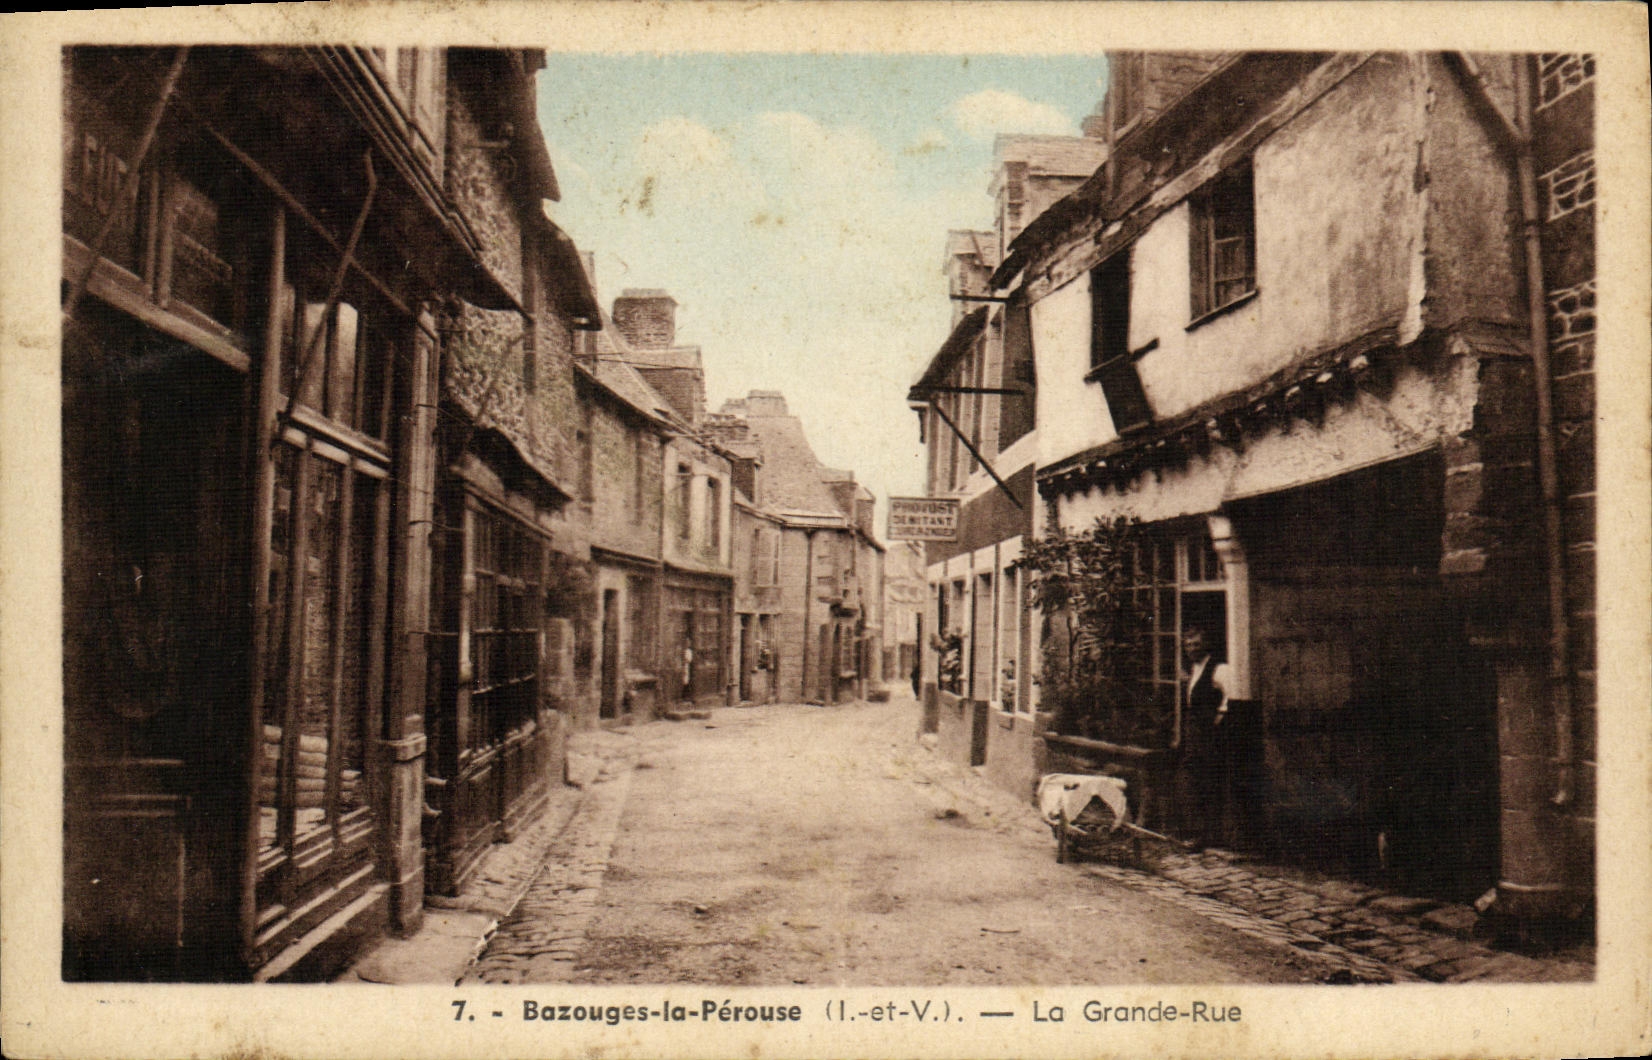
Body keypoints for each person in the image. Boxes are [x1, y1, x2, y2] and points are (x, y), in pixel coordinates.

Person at [1178, 624, 1229, 849]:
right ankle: (1198, 832)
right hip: (1193, 731)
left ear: (1206, 645)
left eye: (1196, 644)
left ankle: (1209, 835)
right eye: (1188, 645)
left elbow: (1229, 695)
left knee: (1209, 781)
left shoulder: (1219, 668)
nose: (1191, 649)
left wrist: (1219, 717)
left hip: (1209, 734)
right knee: (1194, 780)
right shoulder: (1193, 669)